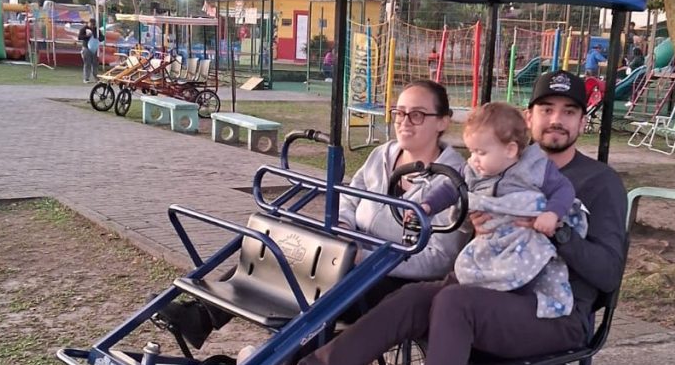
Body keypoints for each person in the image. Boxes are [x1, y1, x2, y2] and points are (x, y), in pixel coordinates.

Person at [245, 70, 627, 365]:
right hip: (492, 296)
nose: (557, 120)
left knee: (454, 302)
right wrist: (469, 224)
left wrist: (554, 232)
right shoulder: (496, 165)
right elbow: (460, 214)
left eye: (569, 112)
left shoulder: (599, 183)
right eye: (547, 110)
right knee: (412, 298)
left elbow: (608, 274)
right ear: (529, 118)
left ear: (582, 122)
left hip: (553, 311)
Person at [158, 80, 469, 347]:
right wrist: (344, 224)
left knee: (318, 271)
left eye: (416, 115)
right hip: (350, 254)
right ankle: (203, 315)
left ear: (442, 121)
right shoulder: (383, 155)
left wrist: (370, 257)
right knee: (286, 238)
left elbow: (440, 257)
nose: (404, 122)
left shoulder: (452, 182)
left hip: (390, 277)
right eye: (399, 113)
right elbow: (348, 196)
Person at [419, 102, 586, 319]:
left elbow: (564, 190)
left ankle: (520, 295)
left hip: (524, 236)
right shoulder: (473, 170)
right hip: (492, 237)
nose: (473, 159)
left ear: (510, 150)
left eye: (481, 152)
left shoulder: (535, 168)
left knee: (530, 266)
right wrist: (427, 206)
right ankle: (489, 294)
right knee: (471, 267)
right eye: (471, 151)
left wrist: (551, 214)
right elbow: (451, 188)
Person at [78, 19, 103, 84]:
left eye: (94, 24)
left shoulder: (96, 30)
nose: (92, 26)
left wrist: (99, 37)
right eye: (91, 24)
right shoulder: (84, 29)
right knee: (87, 63)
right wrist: (87, 36)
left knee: (95, 63)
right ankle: (86, 78)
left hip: (94, 48)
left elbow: (102, 38)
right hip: (86, 47)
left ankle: (96, 77)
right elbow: (79, 37)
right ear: (89, 23)